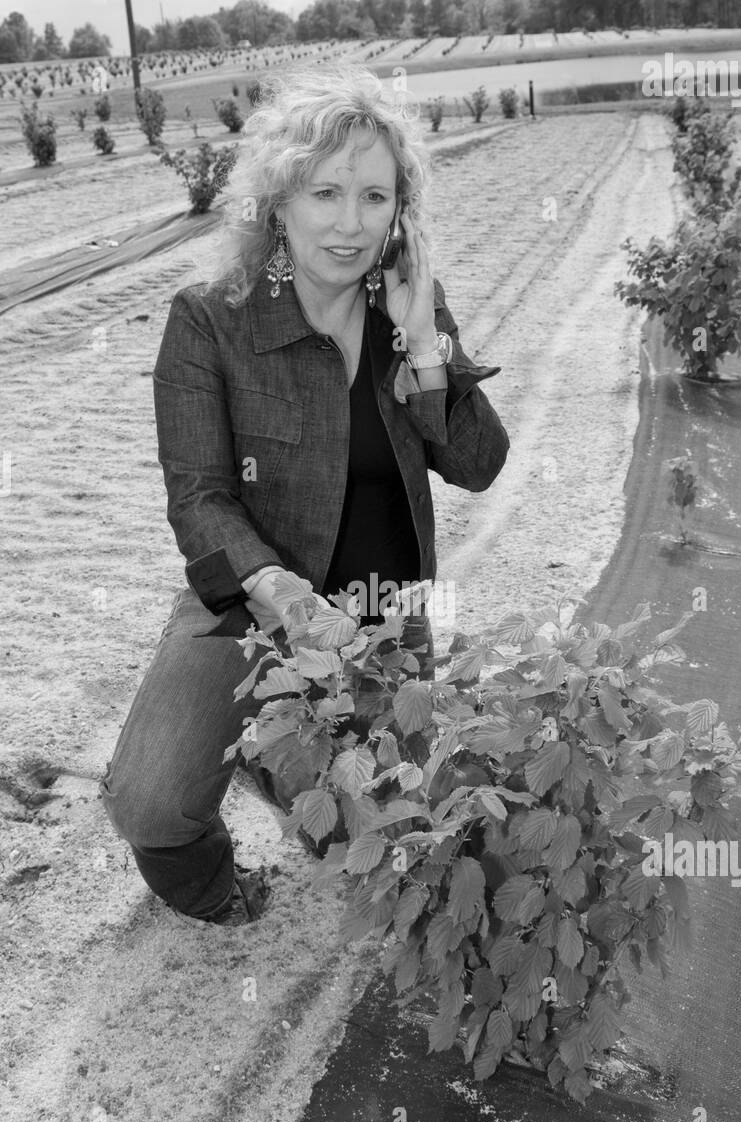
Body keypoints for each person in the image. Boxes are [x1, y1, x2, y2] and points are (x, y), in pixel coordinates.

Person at [98, 63, 510, 926]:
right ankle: (212, 869)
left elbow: (476, 464)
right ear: (278, 201)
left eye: (374, 196)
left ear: (399, 210)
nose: (350, 222)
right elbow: (201, 496)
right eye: (325, 192)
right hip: (254, 606)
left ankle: (273, 762)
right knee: (150, 801)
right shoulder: (211, 319)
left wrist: (426, 345)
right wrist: (278, 592)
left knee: (381, 842)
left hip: (380, 622)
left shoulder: (409, 307)